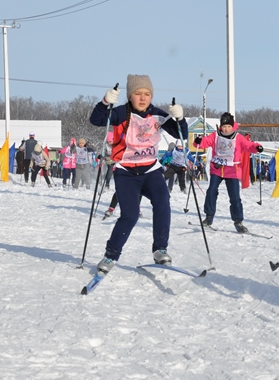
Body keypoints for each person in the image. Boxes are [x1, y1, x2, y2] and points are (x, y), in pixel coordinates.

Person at [91, 74, 187, 272]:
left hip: (151, 170)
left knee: (163, 203)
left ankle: (160, 249)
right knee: (130, 215)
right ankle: (110, 256)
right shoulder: (121, 113)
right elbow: (96, 119)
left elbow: (182, 134)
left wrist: (180, 118)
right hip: (126, 172)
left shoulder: (158, 115)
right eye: (137, 93)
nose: (143, 98)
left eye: (147, 94)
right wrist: (105, 102)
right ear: (129, 96)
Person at [195, 112, 262, 233]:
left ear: (232, 126)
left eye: (228, 126)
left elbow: (248, 145)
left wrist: (257, 147)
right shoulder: (216, 135)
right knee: (211, 191)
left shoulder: (238, 137)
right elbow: (204, 142)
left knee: (235, 197)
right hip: (217, 168)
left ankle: (238, 221)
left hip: (232, 170)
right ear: (221, 126)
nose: (226, 129)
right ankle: (209, 217)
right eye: (224, 126)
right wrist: (198, 141)